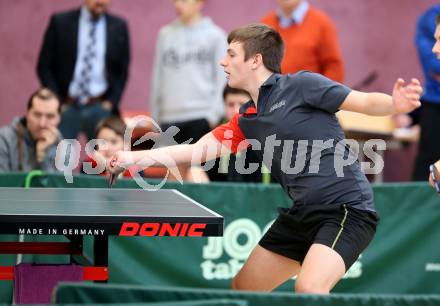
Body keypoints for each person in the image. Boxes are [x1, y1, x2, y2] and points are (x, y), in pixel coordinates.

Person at [108, 24, 422, 293]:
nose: (223, 61)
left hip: (346, 210)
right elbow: (194, 151)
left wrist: (394, 104)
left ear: (255, 60)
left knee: (310, 288)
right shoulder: (247, 119)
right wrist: (129, 158)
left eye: (231, 54)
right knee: (244, 288)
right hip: (302, 214)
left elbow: (364, 102)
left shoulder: (302, 85)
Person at [149, 0, 227, 182]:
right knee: (173, 176)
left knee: (197, 175)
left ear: (199, 3)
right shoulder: (165, 35)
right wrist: (156, 117)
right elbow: (157, 78)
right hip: (169, 118)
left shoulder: (215, 36)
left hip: (200, 118)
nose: (178, 4)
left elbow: (222, 79)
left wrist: (212, 116)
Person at [37, 0, 130, 140]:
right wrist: (57, 101)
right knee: (63, 159)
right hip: (66, 106)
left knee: (102, 159)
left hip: (99, 106)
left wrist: (111, 102)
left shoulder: (118, 26)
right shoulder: (61, 22)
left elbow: (122, 69)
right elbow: (44, 65)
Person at [261, 0, 344, 82]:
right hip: (273, 94)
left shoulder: (322, 24)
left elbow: (334, 68)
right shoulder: (265, 25)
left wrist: (319, 94)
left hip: (310, 94)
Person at [208, 85, 263, 183]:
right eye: (230, 104)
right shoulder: (216, 137)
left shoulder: (269, 136)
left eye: (242, 104)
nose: (236, 111)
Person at [0, 88, 62, 173]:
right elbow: (3, 183)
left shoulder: (62, 145)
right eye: (37, 115)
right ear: (27, 114)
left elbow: (59, 185)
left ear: (59, 118)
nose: (42, 124)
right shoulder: (4, 139)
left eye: (50, 116)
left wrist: (42, 157)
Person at [413, 4, 440, 181]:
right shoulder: (429, 18)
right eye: (435, 40)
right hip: (435, 106)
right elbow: (433, 65)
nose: (434, 48)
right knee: (429, 173)